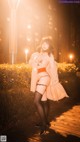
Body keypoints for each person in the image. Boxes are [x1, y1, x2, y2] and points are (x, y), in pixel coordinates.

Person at [29, 37, 69, 135]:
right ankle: (45, 121)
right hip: (40, 79)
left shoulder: (49, 56)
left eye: (47, 44)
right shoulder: (36, 55)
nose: (44, 45)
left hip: (45, 78)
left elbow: (53, 69)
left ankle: (44, 126)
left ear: (49, 46)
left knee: (36, 101)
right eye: (43, 43)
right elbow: (32, 65)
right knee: (44, 101)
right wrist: (36, 57)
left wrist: (55, 82)